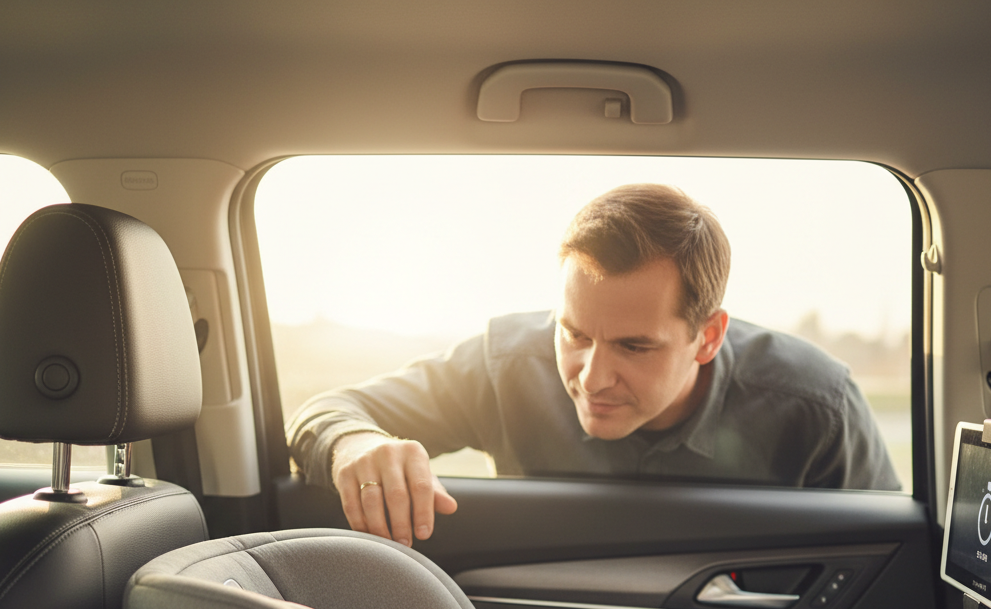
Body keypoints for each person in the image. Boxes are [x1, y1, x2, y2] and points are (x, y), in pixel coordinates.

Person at [287, 184, 901, 547]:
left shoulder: (819, 408)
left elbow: (890, 568)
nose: (590, 375)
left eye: (634, 346)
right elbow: (329, 412)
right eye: (574, 332)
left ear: (708, 336)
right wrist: (356, 444)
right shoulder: (507, 364)